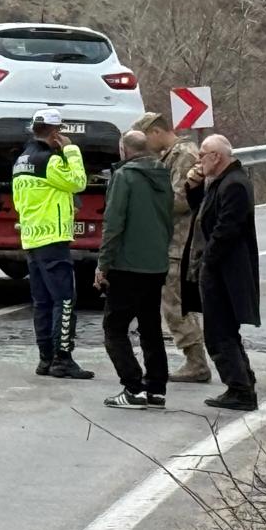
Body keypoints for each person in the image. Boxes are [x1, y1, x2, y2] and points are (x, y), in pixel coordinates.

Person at [11, 109, 93, 380]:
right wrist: (71, 152)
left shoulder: (21, 161)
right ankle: (63, 358)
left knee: (42, 302)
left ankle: (45, 358)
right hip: (53, 238)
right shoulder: (50, 161)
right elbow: (78, 182)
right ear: (56, 132)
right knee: (65, 300)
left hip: (32, 238)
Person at [183, 134, 261, 412]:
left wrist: (209, 261)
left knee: (219, 332)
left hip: (226, 270)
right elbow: (201, 213)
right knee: (224, 329)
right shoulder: (219, 182)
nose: (198, 160)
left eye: (202, 155)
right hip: (217, 268)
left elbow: (227, 228)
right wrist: (192, 187)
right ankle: (243, 381)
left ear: (217, 156)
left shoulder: (235, 184)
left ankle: (240, 389)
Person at [97, 131, 175, 410]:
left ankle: (133, 387)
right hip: (156, 263)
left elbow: (114, 223)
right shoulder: (163, 175)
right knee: (150, 326)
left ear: (123, 149)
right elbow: (169, 218)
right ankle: (156, 388)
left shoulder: (124, 177)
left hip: (127, 264)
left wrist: (102, 264)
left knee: (114, 328)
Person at [134, 112, 211, 382]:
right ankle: (196, 360)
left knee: (175, 305)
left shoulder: (184, 156)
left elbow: (181, 199)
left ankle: (196, 362)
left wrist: (148, 204)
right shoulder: (172, 155)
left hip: (181, 241)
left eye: (146, 138)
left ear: (156, 132)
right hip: (173, 240)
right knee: (175, 303)